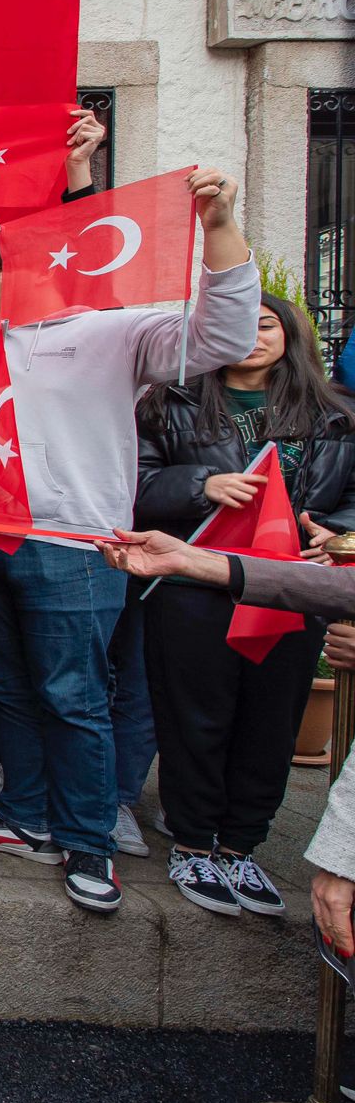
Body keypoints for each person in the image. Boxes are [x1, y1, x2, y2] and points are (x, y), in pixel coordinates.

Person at [0, 168, 258, 913]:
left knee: (75, 694)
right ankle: (26, 813)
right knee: (6, 688)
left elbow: (221, 334)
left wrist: (217, 224)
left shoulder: (112, 329)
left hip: (74, 545)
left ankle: (89, 838)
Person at [132, 293, 355, 917]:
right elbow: (133, 485)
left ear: (292, 336)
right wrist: (199, 486)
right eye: (240, 325)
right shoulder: (167, 403)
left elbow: (351, 499)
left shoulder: (336, 414)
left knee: (271, 718)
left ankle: (241, 846)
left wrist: (332, 535)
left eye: (267, 325)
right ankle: (193, 841)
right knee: (194, 716)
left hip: (295, 588)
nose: (254, 337)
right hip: (192, 588)